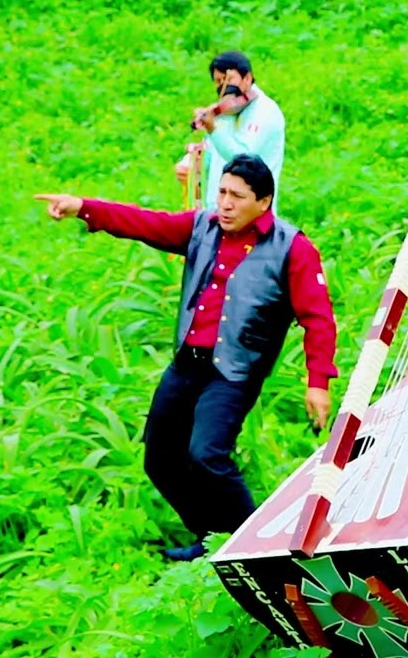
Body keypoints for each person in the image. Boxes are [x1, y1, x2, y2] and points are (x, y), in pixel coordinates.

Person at [36, 154, 337, 561]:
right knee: (159, 459)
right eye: (222, 192)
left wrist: (317, 380)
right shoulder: (202, 228)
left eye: (238, 196)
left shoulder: (291, 249)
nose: (226, 204)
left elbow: (318, 317)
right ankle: (211, 537)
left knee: (207, 454)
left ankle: (257, 551)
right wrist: (83, 207)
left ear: (264, 202)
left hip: (234, 372)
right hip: (187, 365)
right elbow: (143, 222)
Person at [177, 51, 287, 215]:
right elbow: (210, 152)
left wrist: (213, 129)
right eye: (218, 82)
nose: (225, 87)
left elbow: (244, 159)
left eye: (229, 80)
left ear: (247, 78)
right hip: (219, 211)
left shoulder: (266, 111)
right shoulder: (224, 112)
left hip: (251, 213)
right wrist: (190, 164)